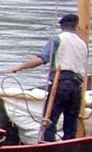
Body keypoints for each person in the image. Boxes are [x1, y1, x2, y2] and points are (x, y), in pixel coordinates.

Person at [6, 13, 88, 141]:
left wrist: (20, 67)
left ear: (61, 26)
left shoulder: (58, 39)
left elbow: (41, 59)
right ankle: (69, 146)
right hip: (77, 87)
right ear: (76, 26)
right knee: (71, 124)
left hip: (61, 84)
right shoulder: (82, 44)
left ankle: (48, 144)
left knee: (49, 120)